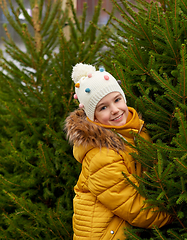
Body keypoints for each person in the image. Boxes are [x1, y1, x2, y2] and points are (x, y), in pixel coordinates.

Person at [65, 63, 173, 240]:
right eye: (103, 108)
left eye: (117, 100)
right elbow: (132, 206)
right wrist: (173, 216)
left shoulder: (134, 130)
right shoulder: (101, 154)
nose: (115, 110)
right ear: (94, 117)